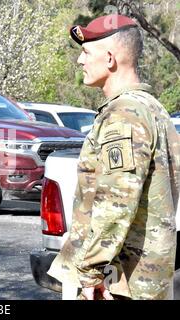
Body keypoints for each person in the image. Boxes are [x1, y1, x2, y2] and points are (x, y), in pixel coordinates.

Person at [47, 14, 180, 300]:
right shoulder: (153, 108)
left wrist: (93, 274)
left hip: (121, 283)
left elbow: (116, 204)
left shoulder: (125, 114)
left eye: (85, 52)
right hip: (141, 278)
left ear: (109, 59)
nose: (80, 61)